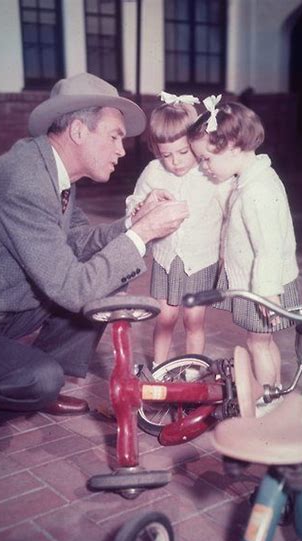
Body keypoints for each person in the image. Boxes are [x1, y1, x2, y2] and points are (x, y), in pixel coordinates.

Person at [0, 72, 189, 449]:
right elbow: (71, 290)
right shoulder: (25, 180)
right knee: (39, 379)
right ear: (79, 131)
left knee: (109, 278)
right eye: (115, 136)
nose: (122, 149)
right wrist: (143, 234)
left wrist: (133, 223)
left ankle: (19, 382)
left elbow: (79, 241)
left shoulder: (52, 169)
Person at [188, 96, 300, 392]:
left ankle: (267, 400)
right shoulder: (252, 178)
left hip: (262, 285)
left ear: (233, 147)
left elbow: (268, 247)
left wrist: (267, 292)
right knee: (262, 341)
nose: (203, 167)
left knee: (257, 344)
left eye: (206, 159)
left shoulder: (257, 191)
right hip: (263, 282)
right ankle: (273, 392)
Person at [125, 92, 232, 366]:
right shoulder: (153, 171)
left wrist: (226, 250)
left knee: (194, 319)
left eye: (183, 152)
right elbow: (135, 203)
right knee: (166, 317)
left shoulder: (211, 172)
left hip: (201, 260)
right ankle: (160, 368)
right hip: (166, 258)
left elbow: (230, 211)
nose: (175, 161)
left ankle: (193, 369)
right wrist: (142, 206)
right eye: (166, 155)